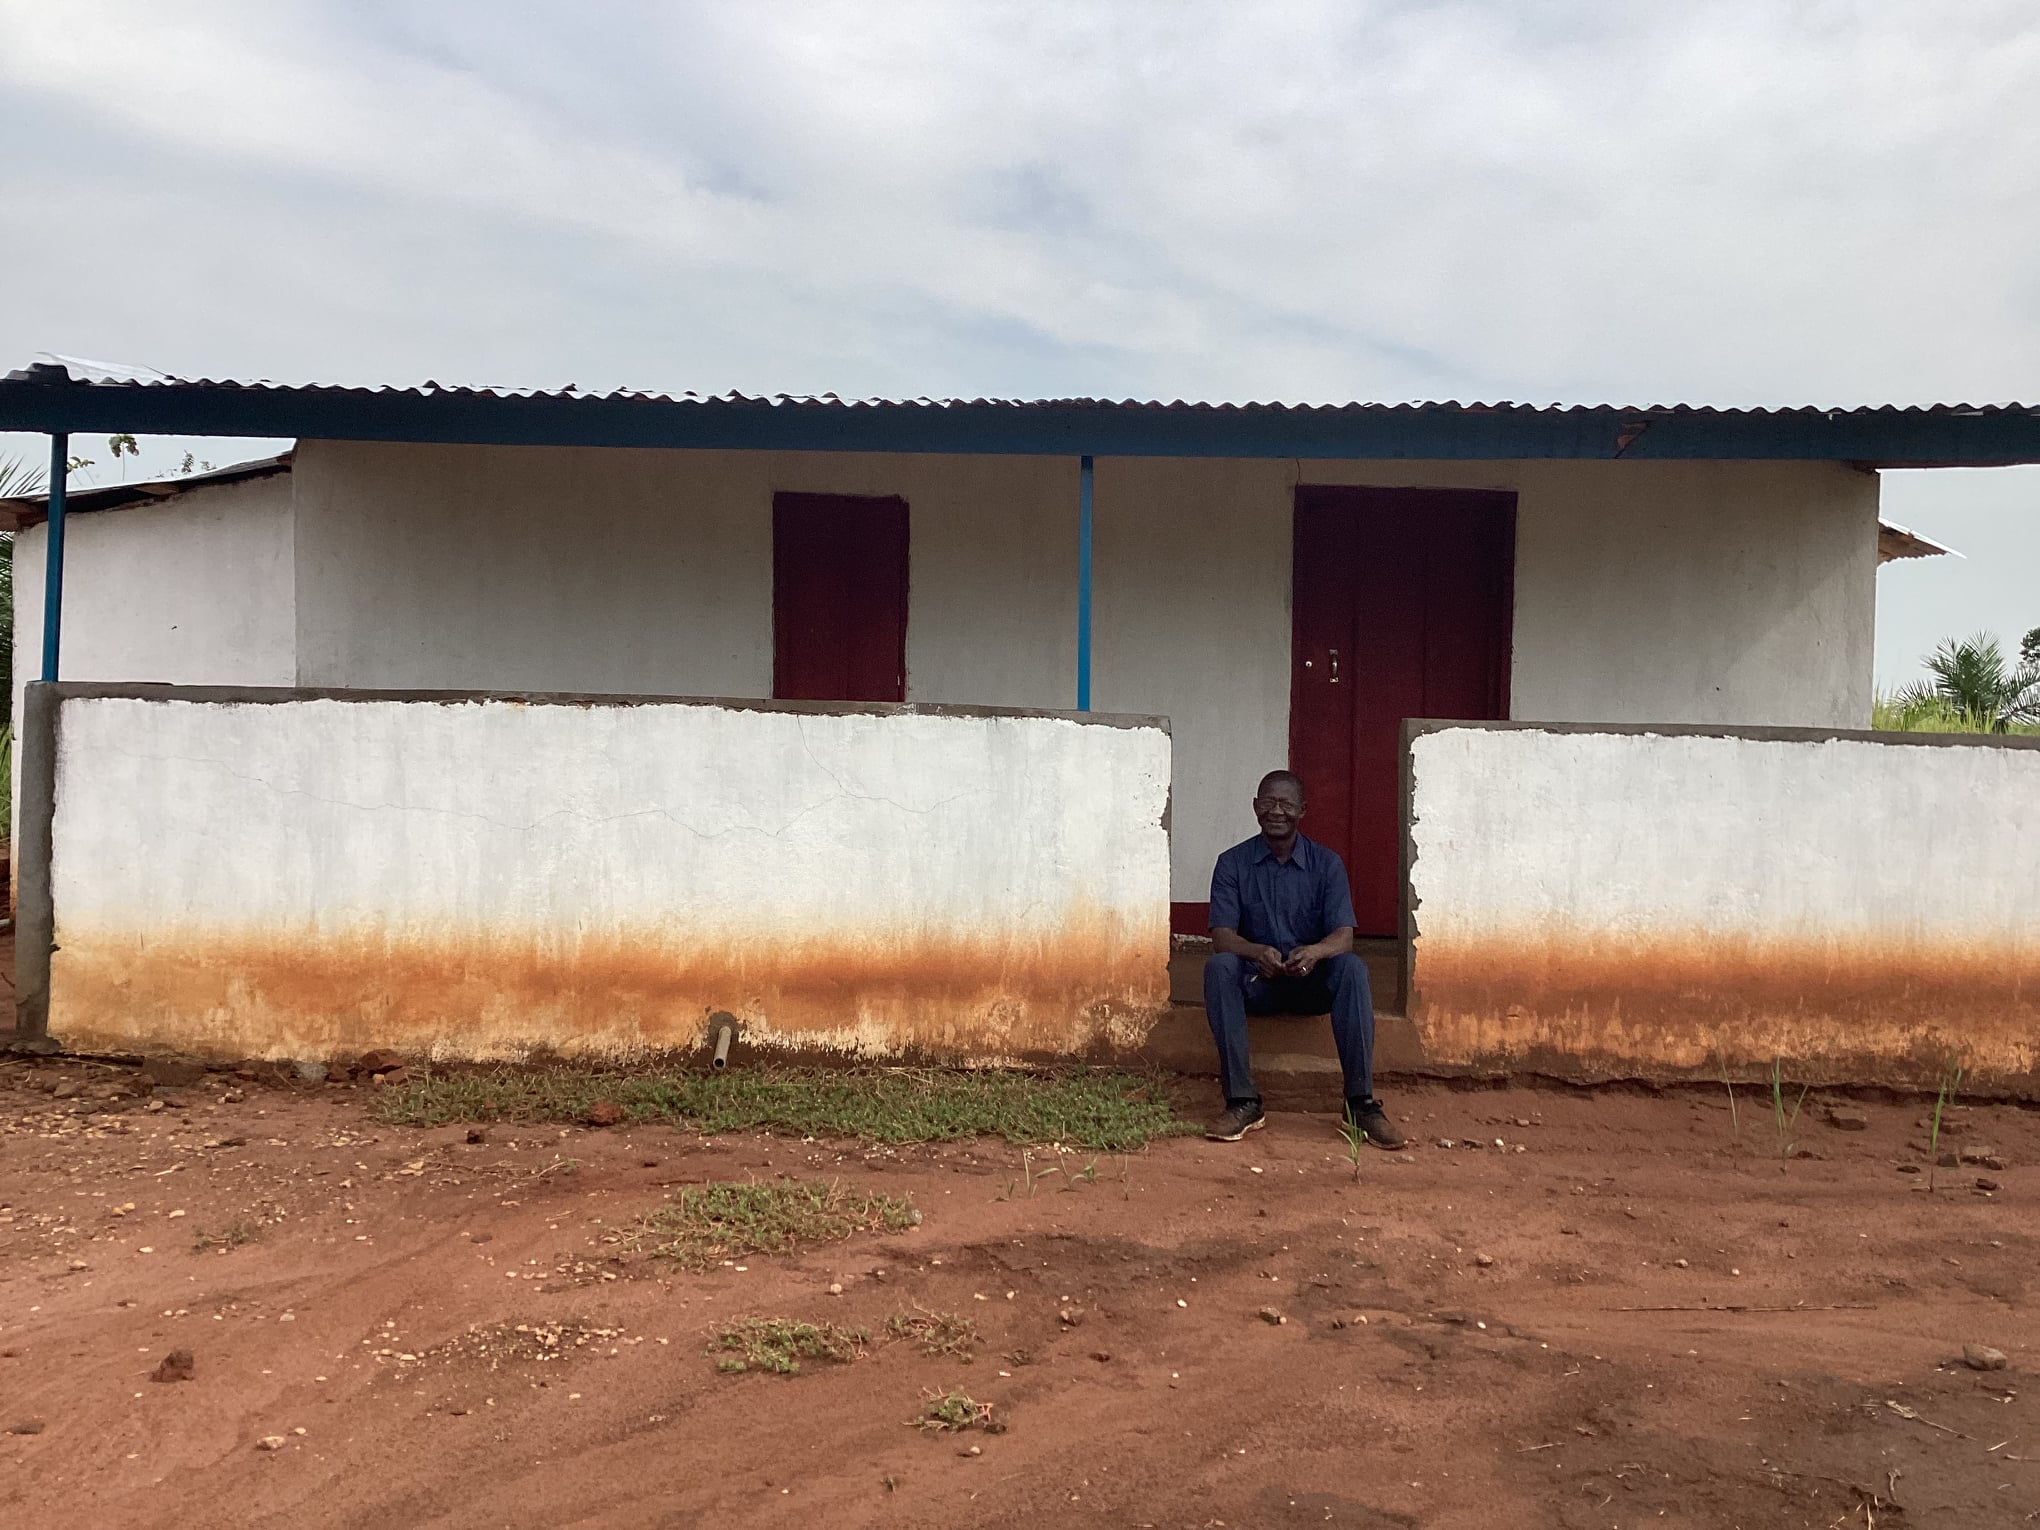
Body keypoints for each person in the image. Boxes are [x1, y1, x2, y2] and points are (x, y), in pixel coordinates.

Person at [1201, 769, 1405, 1148]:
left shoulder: (1327, 865)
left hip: (1311, 983)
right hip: (1257, 983)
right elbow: (1222, 936)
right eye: (1268, 802)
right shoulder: (1232, 863)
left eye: (1286, 804)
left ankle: (1359, 1103)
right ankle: (1243, 1101)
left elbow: (1344, 936)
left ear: (1303, 811)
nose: (1276, 811)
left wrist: (1315, 952)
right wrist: (1255, 951)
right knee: (1220, 967)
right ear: (1255, 807)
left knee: (1352, 968)